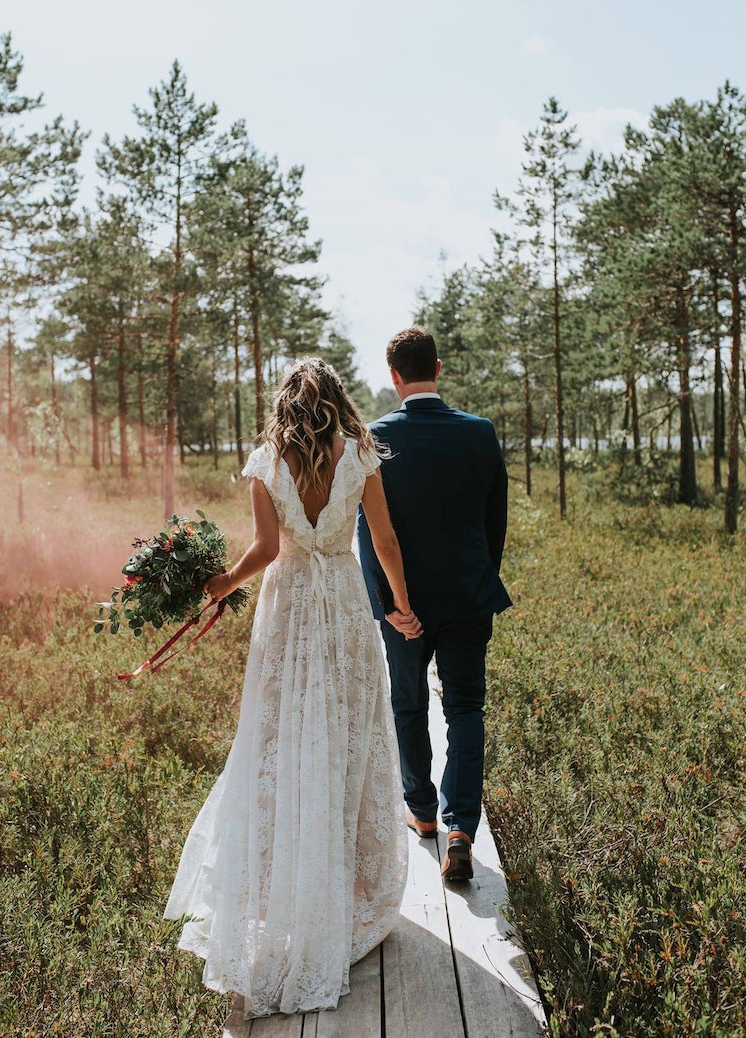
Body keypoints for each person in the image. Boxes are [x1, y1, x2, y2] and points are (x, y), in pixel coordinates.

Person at [164, 357, 420, 1018]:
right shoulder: (361, 455)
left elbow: (268, 549)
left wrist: (221, 584)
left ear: (283, 408)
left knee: (280, 738)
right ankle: (343, 890)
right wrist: (401, 604)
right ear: (336, 403)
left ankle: (287, 887)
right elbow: (385, 540)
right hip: (339, 603)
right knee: (345, 740)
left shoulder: (265, 463)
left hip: (287, 611)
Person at [357, 326, 512, 882]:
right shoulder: (479, 433)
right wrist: (479, 577)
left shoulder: (373, 438)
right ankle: (462, 828)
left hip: (406, 606)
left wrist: (386, 602)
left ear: (393, 376)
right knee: (466, 708)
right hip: (469, 596)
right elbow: (495, 520)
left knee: (409, 704)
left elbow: (371, 534)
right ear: (439, 369)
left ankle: (422, 813)